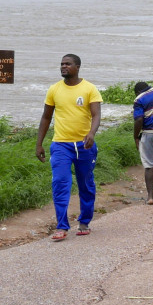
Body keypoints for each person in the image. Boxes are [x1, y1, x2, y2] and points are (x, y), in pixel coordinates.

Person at [35, 54, 102, 242]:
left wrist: (91, 133)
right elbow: (46, 117)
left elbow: (96, 115)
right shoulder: (54, 89)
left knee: (86, 183)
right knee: (60, 183)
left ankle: (84, 222)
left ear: (78, 66)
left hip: (84, 144)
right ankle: (62, 226)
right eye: (62, 64)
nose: (64, 67)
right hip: (60, 145)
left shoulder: (89, 88)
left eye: (68, 64)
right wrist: (39, 143)